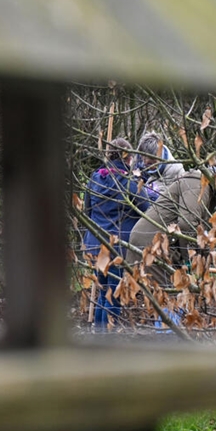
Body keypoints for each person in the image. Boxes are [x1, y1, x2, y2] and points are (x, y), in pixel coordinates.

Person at [81, 137, 158, 328]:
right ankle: (107, 340)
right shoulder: (129, 182)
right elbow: (146, 208)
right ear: (128, 158)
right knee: (113, 296)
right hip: (116, 247)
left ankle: (99, 338)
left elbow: (87, 211)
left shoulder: (94, 177)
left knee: (102, 292)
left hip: (95, 243)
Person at [127, 157, 216, 288]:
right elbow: (187, 224)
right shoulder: (198, 184)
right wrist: (189, 258)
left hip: (157, 244)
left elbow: (198, 230)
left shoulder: (205, 187)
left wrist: (212, 257)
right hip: (151, 245)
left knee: (169, 298)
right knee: (168, 298)